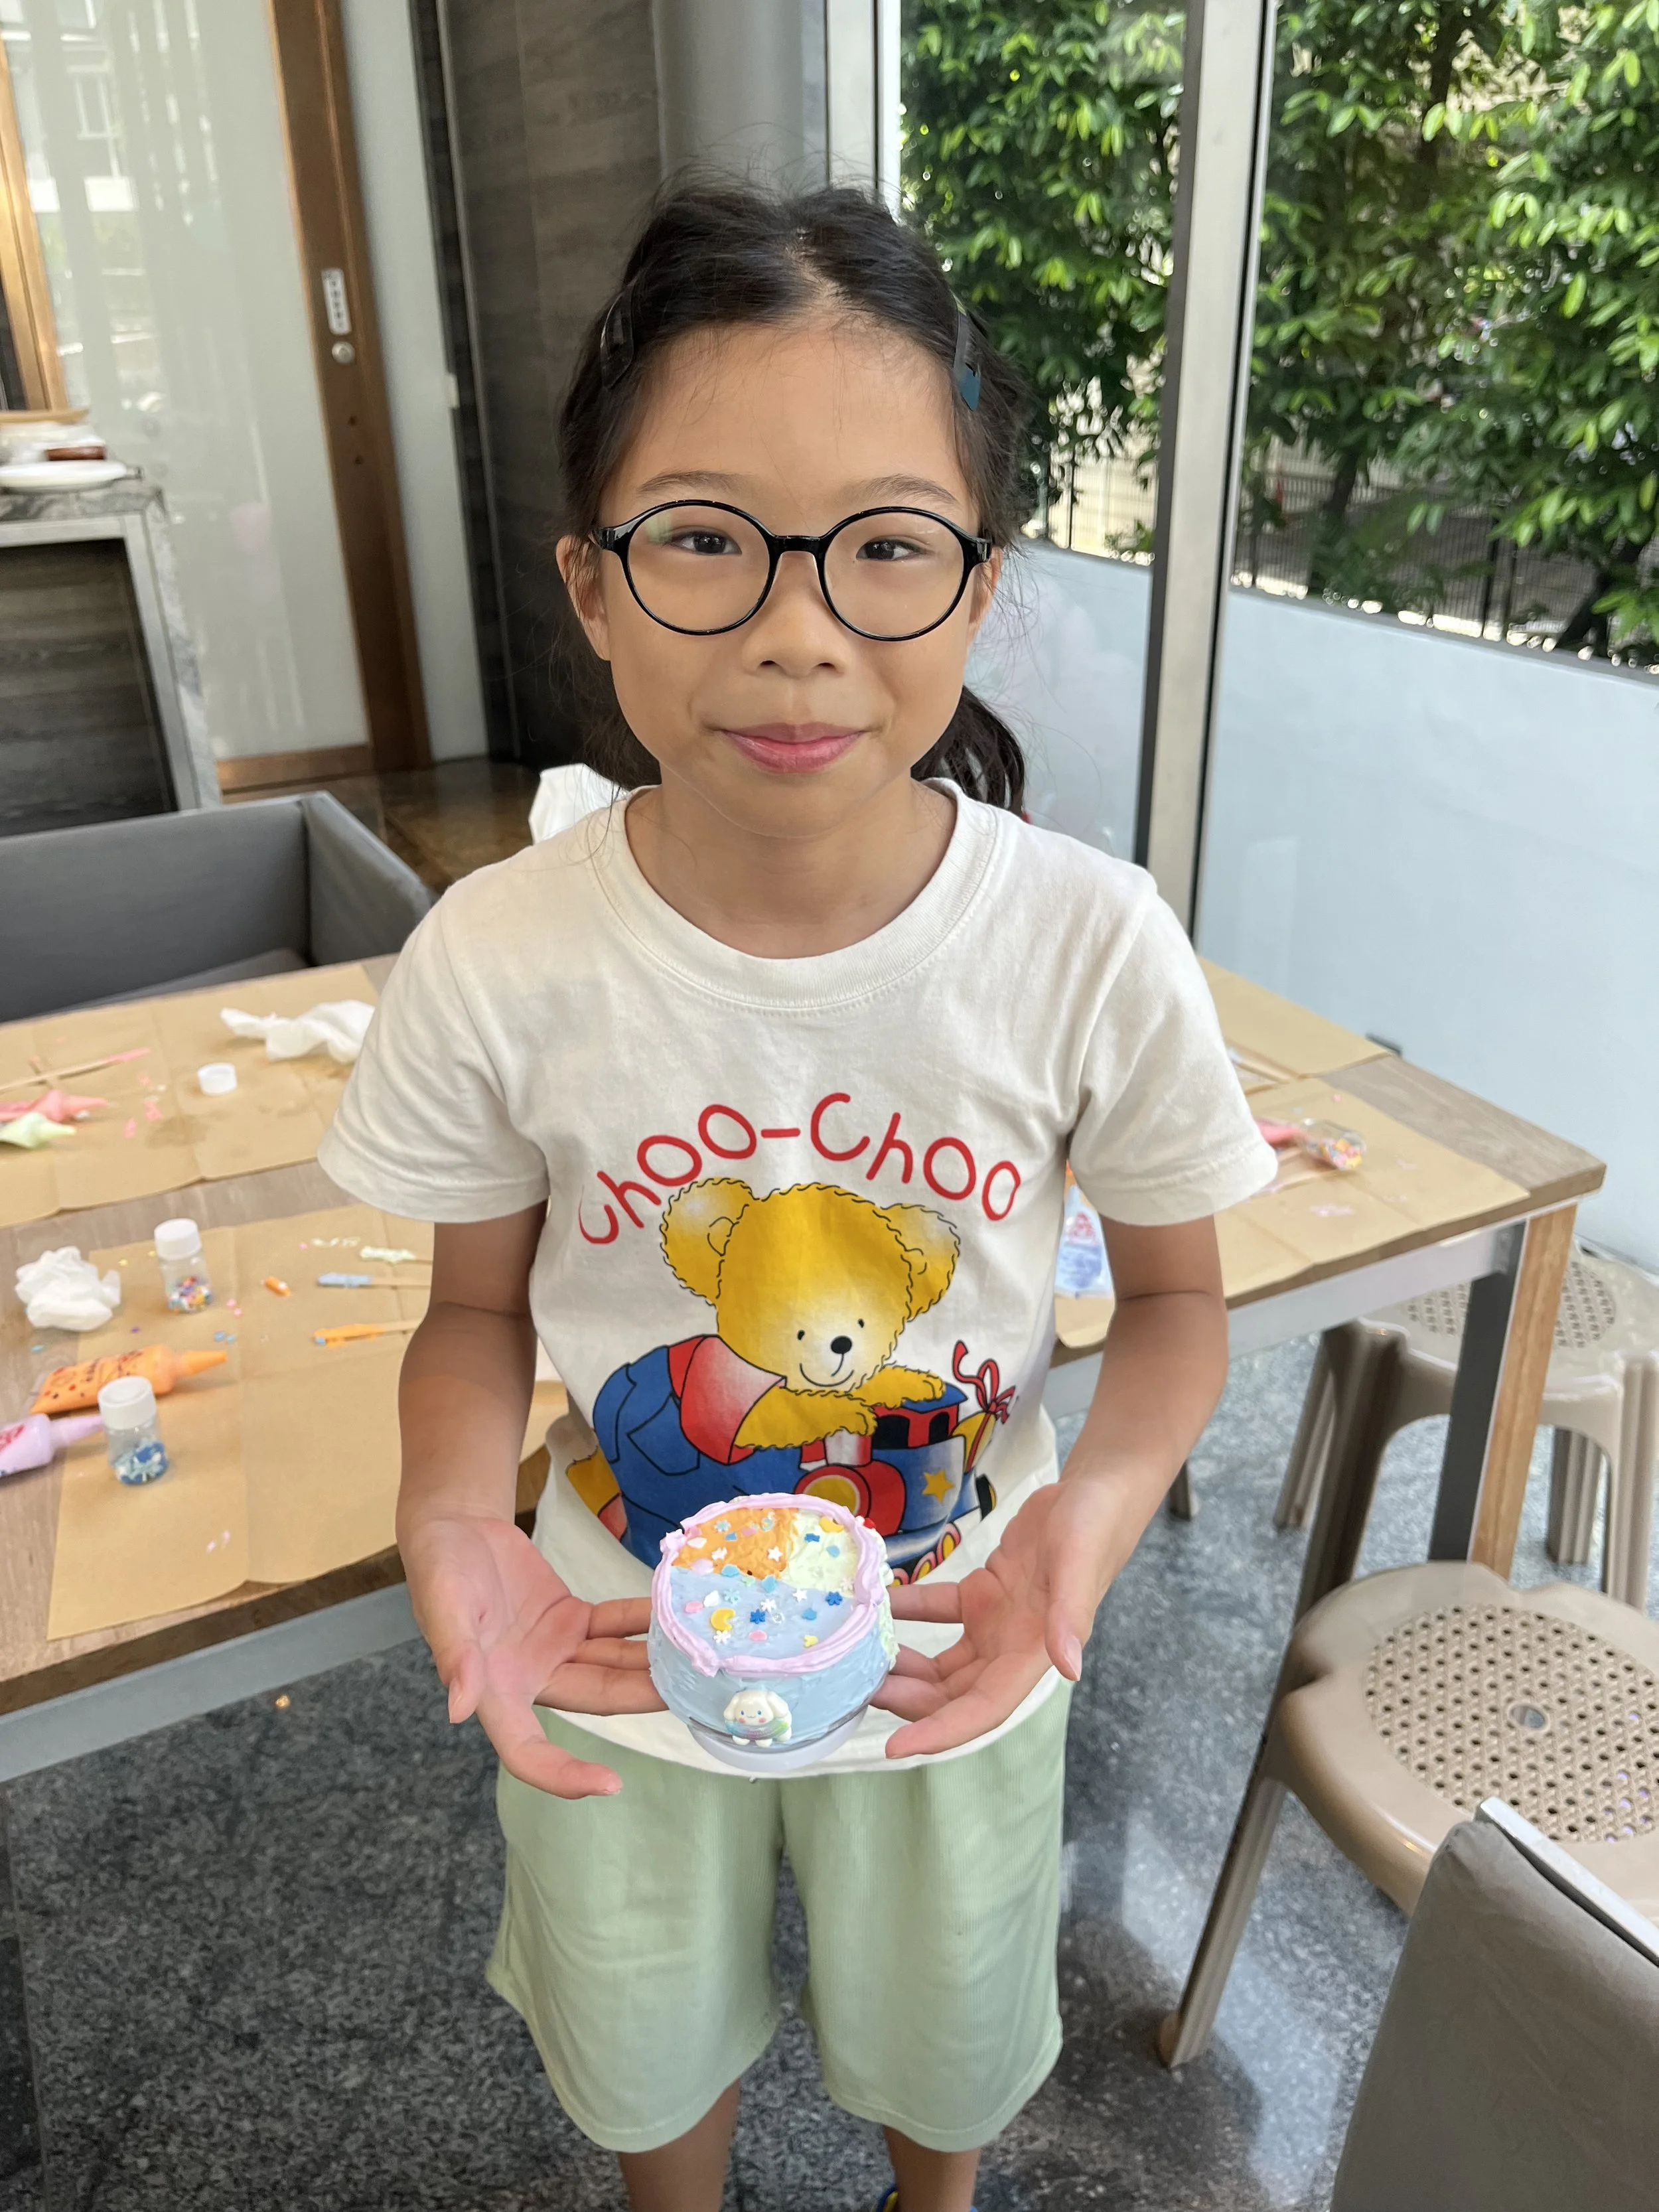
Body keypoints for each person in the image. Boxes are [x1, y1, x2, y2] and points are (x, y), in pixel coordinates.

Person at [319, 180, 1275, 2212]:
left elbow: (1178, 1308)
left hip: (957, 1630)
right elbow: (476, 1314)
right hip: (605, 1629)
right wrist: (446, 1521)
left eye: (884, 550)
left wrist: (1076, 1542)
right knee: (643, 2022)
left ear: (977, 588)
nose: (793, 625)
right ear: (590, 584)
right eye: (701, 537)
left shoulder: (1088, 942)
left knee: (949, 2021)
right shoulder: (501, 952)